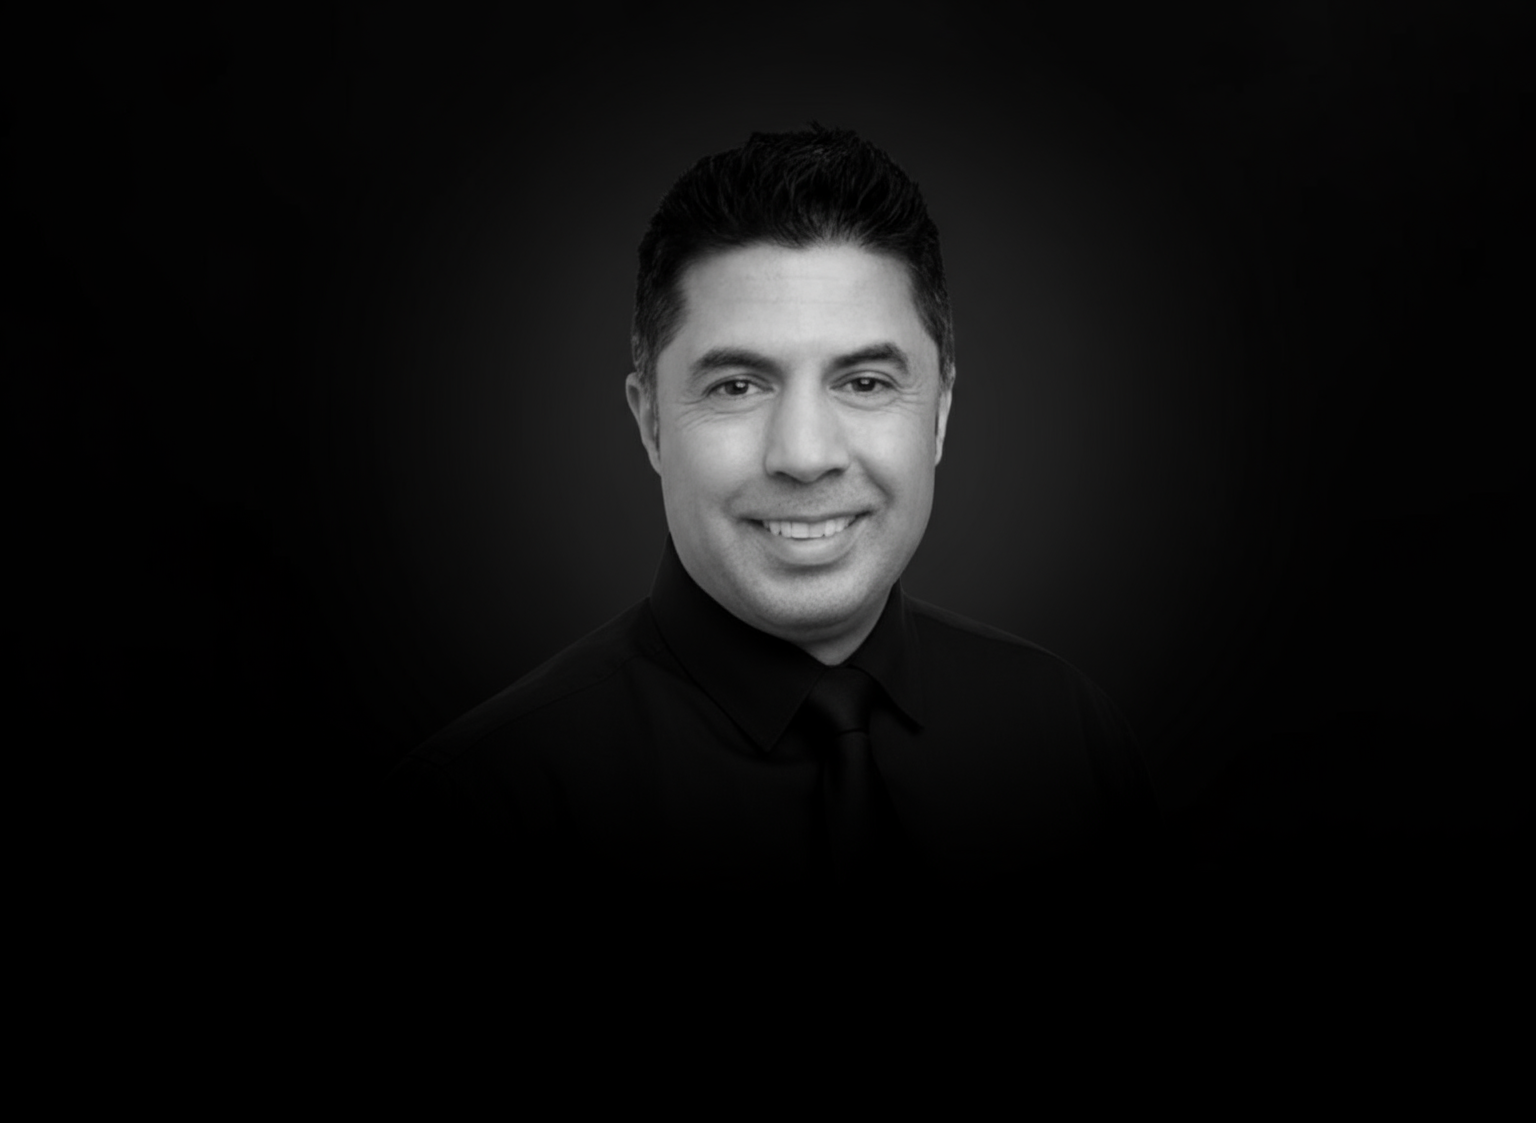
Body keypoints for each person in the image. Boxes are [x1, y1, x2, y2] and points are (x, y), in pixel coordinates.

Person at [377, 126, 1156, 919]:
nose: (806, 455)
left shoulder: (1071, 741)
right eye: (738, 386)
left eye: (865, 381)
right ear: (650, 423)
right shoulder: (473, 814)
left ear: (942, 414)